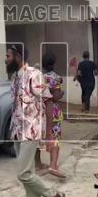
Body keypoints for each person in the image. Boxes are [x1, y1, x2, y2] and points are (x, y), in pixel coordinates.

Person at [6, 45, 67, 197]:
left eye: (7, 56)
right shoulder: (15, 76)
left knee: (23, 174)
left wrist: (49, 134)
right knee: (28, 175)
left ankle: (55, 196)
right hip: (17, 130)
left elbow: (48, 102)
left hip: (31, 130)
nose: (5, 59)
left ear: (18, 56)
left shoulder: (34, 74)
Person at [35, 51, 66, 179]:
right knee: (55, 136)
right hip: (52, 111)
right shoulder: (56, 78)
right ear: (53, 63)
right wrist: (61, 94)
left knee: (37, 138)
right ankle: (53, 165)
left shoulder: (39, 77)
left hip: (38, 110)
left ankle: (37, 164)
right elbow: (56, 96)